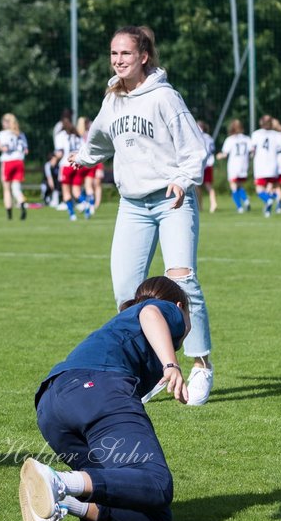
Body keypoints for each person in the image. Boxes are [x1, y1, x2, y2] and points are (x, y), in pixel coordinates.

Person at [69, 25, 214, 405]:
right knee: (126, 293)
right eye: (114, 54)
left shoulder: (165, 97)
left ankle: (200, 365)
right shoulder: (113, 99)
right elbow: (100, 139)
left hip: (172, 201)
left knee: (182, 278)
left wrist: (184, 180)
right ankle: (148, 371)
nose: (118, 60)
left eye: (126, 54)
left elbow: (193, 148)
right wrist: (83, 159)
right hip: (132, 205)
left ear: (144, 56)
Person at [19, 276, 192, 521]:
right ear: (180, 306)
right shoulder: (165, 309)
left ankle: (60, 503)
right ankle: (59, 481)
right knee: (156, 481)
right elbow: (151, 312)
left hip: (51, 406)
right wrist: (171, 364)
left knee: (153, 513)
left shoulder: (124, 326)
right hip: (95, 388)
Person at [0, 113, 29, 220]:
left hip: (8, 161)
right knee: (16, 188)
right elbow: (26, 151)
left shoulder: (3, 134)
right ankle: (21, 202)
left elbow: (5, 148)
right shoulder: (21, 134)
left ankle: (9, 215)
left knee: (7, 189)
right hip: (19, 161)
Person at [54, 118, 87, 220]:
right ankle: (85, 203)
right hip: (77, 164)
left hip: (66, 164)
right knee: (76, 191)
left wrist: (54, 158)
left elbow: (60, 152)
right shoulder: (77, 136)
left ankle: (72, 214)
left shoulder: (61, 136)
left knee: (66, 192)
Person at [249, 115, 281, 217]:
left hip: (260, 165)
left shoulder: (256, 134)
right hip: (273, 164)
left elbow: (252, 149)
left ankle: (268, 200)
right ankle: (267, 211)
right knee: (270, 187)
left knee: (259, 189)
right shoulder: (276, 135)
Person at [217, 119, 252, 213]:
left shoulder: (230, 139)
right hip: (244, 164)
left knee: (233, 186)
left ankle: (239, 207)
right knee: (240, 185)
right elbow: (252, 151)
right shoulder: (246, 138)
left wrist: (219, 156)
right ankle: (246, 200)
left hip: (234, 165)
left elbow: (225, 153)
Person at [197, 120, 217, 214]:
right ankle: (213, 204)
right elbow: (212, 150)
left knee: (198, 187)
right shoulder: (209, 137)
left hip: (200, 164)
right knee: (209, 186)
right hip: (209, 164)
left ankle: (200, 206)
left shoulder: (196, 136)